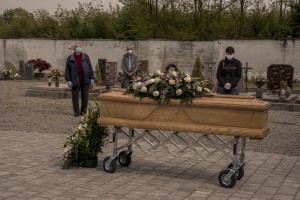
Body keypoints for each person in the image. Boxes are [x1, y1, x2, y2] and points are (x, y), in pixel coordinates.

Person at [65, 44, 95, 116]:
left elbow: (90, 67)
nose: (79, 48)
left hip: (85, 79)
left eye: (80, 47)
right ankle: (76, 112)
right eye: (77, 47)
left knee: (85, 96)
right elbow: (67, 70)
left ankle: (83, 112)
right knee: (75, 97)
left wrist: (92, 78)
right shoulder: (70, 58)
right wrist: (68, 80)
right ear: (74, 49)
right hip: (75, 80)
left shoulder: (85, 57)